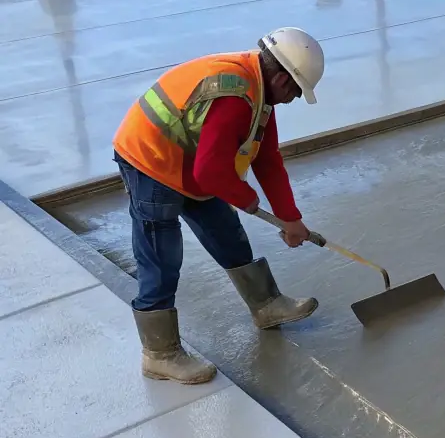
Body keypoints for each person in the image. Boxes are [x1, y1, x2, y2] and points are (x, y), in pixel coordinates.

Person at [113, 29, 326, 385]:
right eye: (295, 90)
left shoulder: (259, 92)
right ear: (279, 77)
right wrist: (249, 200)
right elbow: (212, 173)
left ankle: (266, 305)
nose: (294, 99)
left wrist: (291, 218)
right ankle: (160, 353)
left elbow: (268, 160)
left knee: (225, 231)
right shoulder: (235, 96)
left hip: (188, 156)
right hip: (149, 157)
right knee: (162, 254)